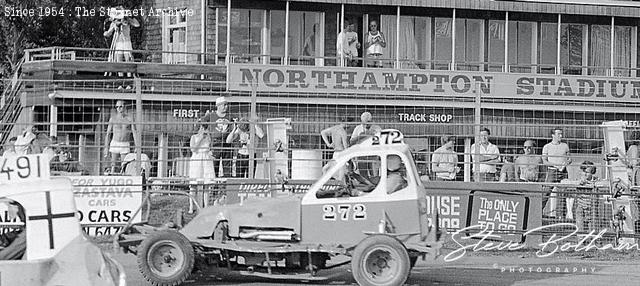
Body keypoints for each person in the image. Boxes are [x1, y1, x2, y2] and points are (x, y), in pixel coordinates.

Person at [541, 128, 572, 217]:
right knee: (546, 192)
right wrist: (555, 165)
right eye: (558, 134)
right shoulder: (547, 147)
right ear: (553, 135)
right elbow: (544, 161)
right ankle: (539, 211)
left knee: (563, 193)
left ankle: (561, 216)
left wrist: (566, 163)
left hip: (563, 171)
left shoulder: (565, 146)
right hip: (552, 171)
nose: (560, 136)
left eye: (561, 134)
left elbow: (569, 158)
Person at [104, 6, 140, 78]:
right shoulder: (114, 22)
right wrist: (106, 33)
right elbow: (108, 33)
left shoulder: (127, 20)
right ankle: (121, 82)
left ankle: (129, 81)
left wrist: (130, 17)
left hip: (126, 42)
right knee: (119, 62)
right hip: (119, 43)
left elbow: (137, 24)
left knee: (128, 61)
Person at [104, 100, 139, 174]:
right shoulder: (113, 119)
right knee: (113, 165)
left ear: (124, 107)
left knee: (124, 166)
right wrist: (106, 147)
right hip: (115, 143)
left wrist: (137, 146)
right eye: (117, 107)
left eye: (121, 106)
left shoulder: (129, 119)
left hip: (124, 143)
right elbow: (108, 134)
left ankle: (123, 181)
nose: (119, 109)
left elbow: (134, 133)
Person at [201, 96, 233, 177]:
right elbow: (202, 124)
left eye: (226, 105)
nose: (226, 107)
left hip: (227, 144)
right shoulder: (211, 115)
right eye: (224, 105)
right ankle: (213, 187)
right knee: (214, 168)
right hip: (215, 144)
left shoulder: (230, 116)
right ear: (218, 106)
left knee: (227, 168)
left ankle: (226, 187)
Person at [574, 161, 599, 232]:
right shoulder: (579, 181)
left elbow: (597, 185)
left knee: (593, 228)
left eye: (587, 172)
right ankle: (581, 241)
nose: (585, 174)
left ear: (592, 173)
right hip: (581, 206)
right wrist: (580, 183)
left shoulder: (596, 181)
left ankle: (594, 241)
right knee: (580, 226)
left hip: (592, 207)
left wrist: (590, 183)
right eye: (583, 171)